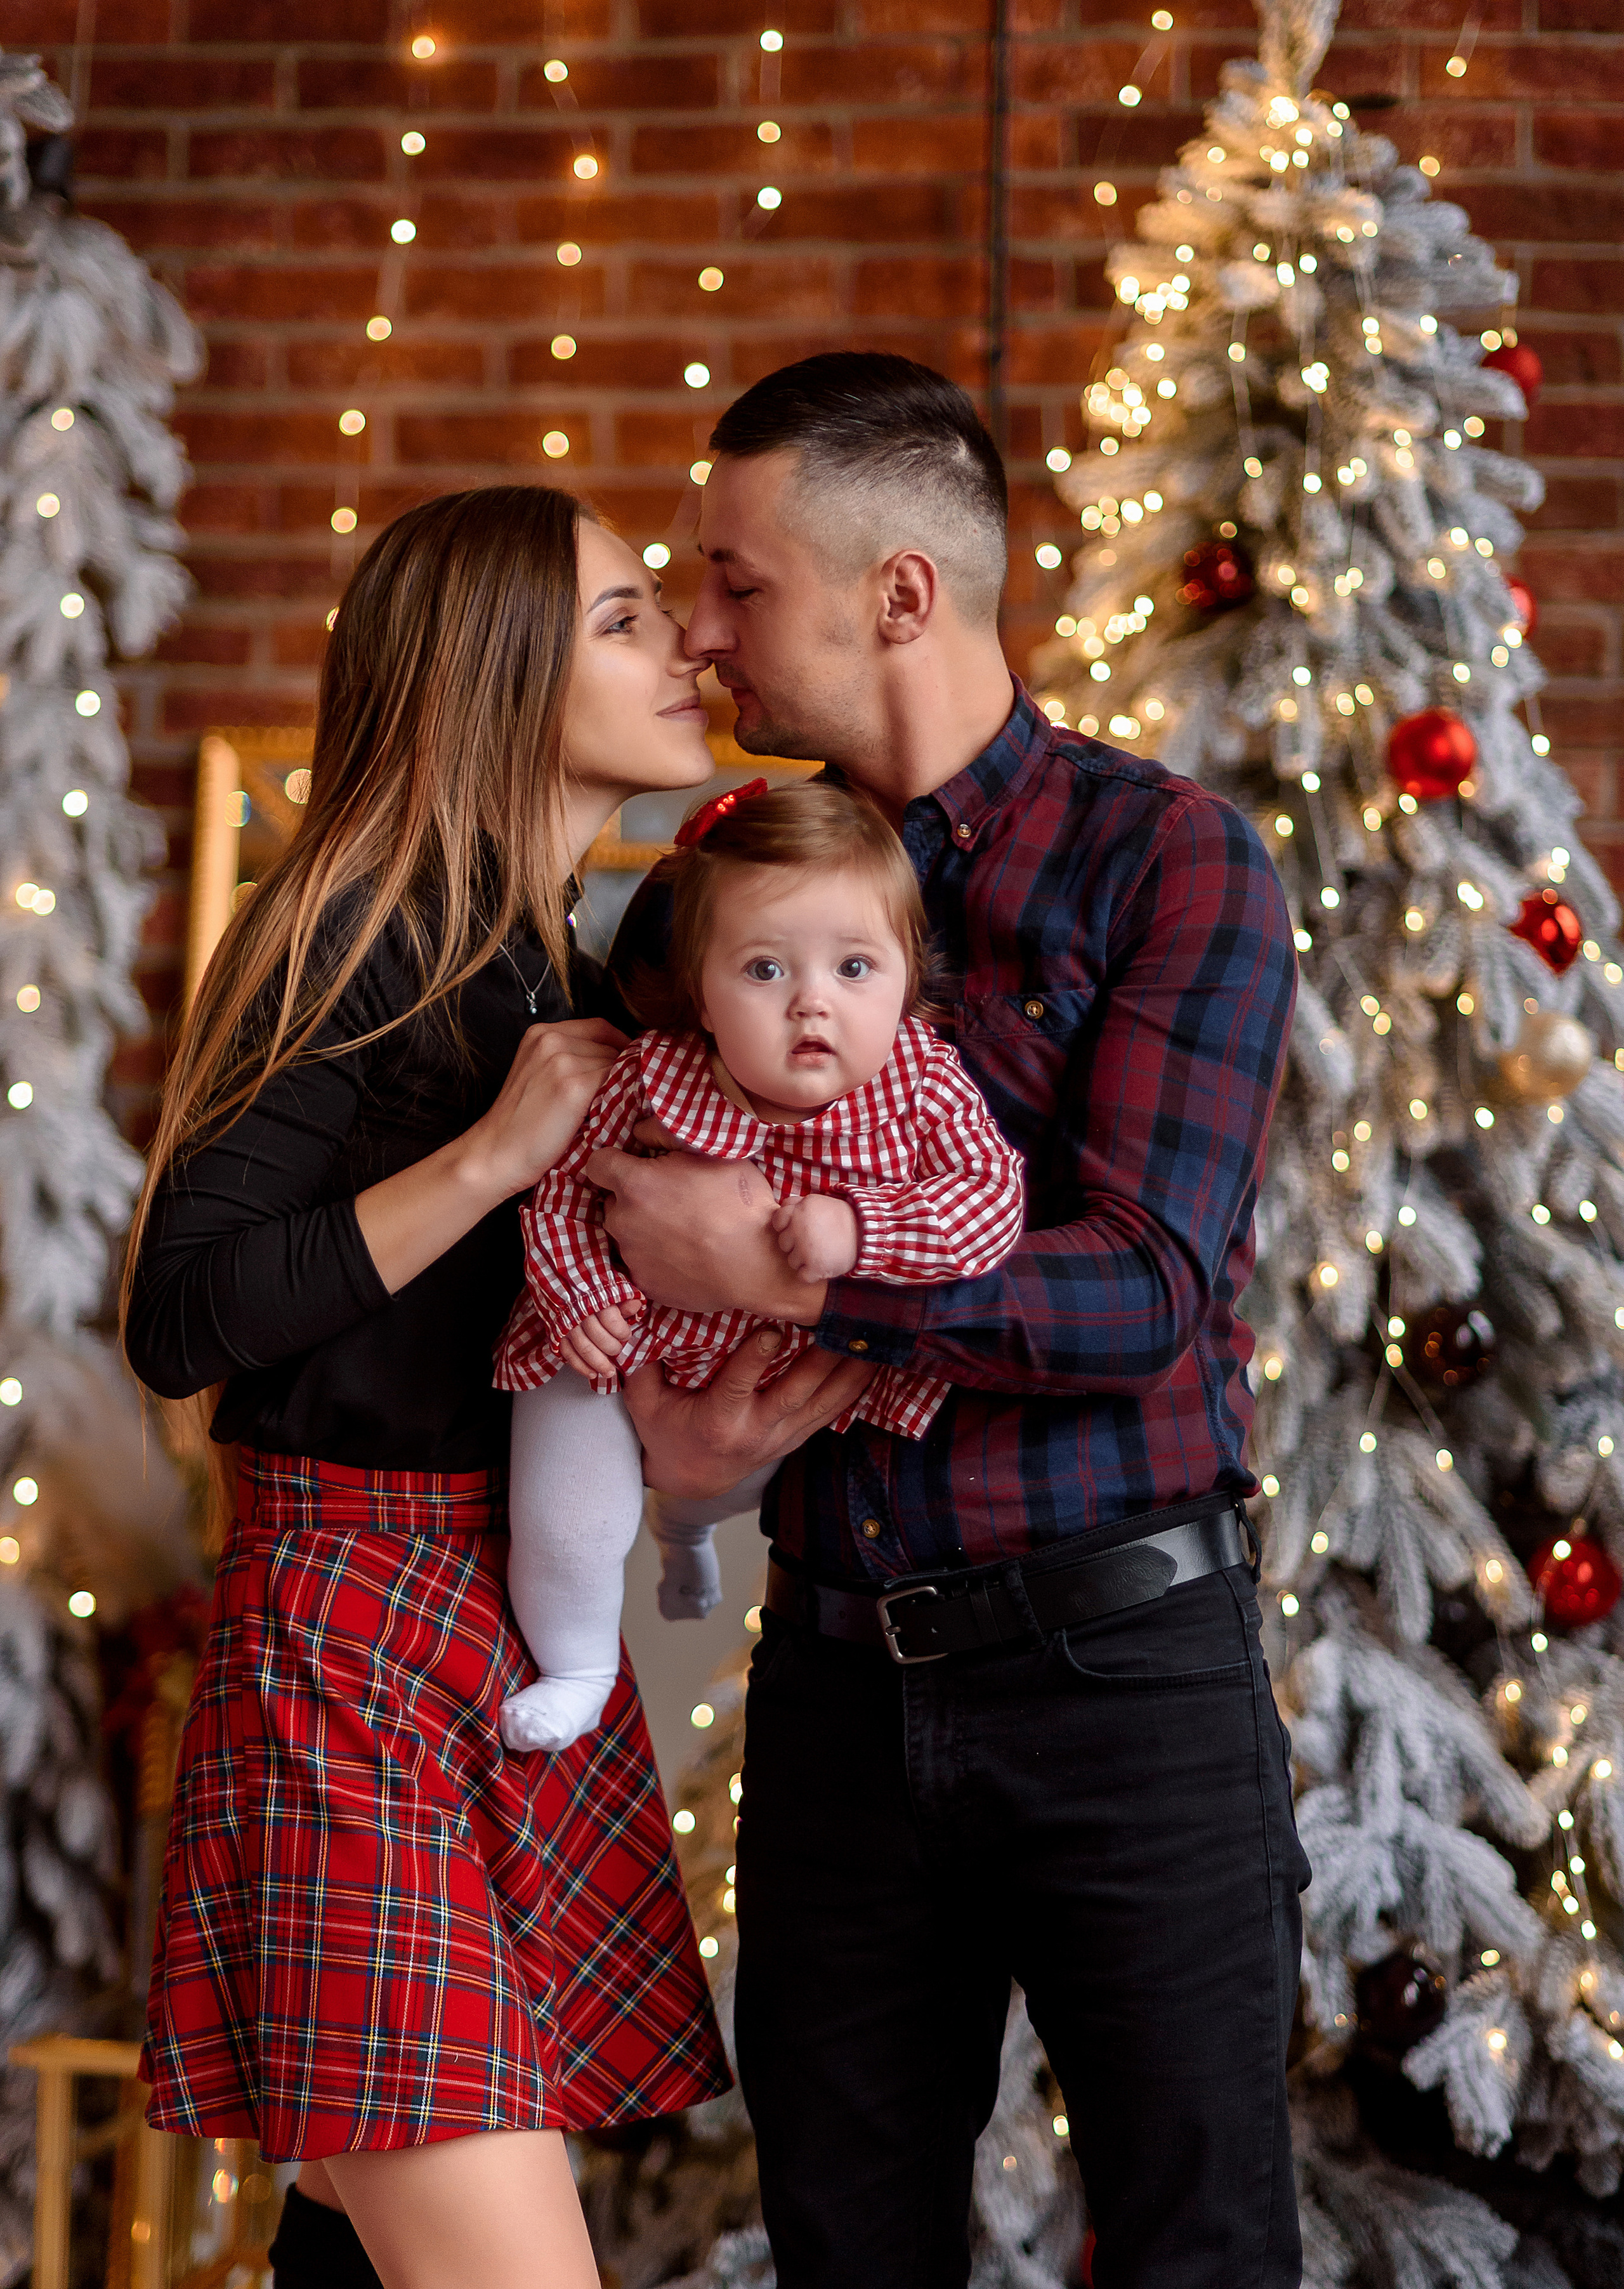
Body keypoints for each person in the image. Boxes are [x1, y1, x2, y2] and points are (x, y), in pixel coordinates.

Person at [594, 353, 1310, 2289]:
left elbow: (1142, 1288)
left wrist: (793, 1257)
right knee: (845, 2252)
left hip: (1124, 1680)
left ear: (900, 593)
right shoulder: (721, 882)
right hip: (833, 1685)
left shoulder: (1173, 863)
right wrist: (662, 1451)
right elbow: (599, 1168)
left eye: (738, 581)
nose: (705, 627)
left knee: (1201, 2248)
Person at [120, 486, 864, 2289]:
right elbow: (182, 1316)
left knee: (356, 2242)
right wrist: (494, 1148)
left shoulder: (552, 953)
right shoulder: (354, 934)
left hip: (484, 1642)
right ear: (499, 674)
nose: (688, 640)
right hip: (352, 1656)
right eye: (623, 619)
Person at [492, 779, 1025, 1753]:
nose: (813, 1001)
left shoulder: (922, 1082)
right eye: (766, 969)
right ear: (701, 989)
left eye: (856, 966)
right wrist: (585, 1301)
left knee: (720, 1493)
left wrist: (862, 1234)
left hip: (789, 1386)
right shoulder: (656, 1072)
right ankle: (577, 1664)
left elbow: (991, 1201)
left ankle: (686, 1535)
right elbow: (564, 1190)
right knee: (565, 1506)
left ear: (909, 977)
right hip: (622, 1350)